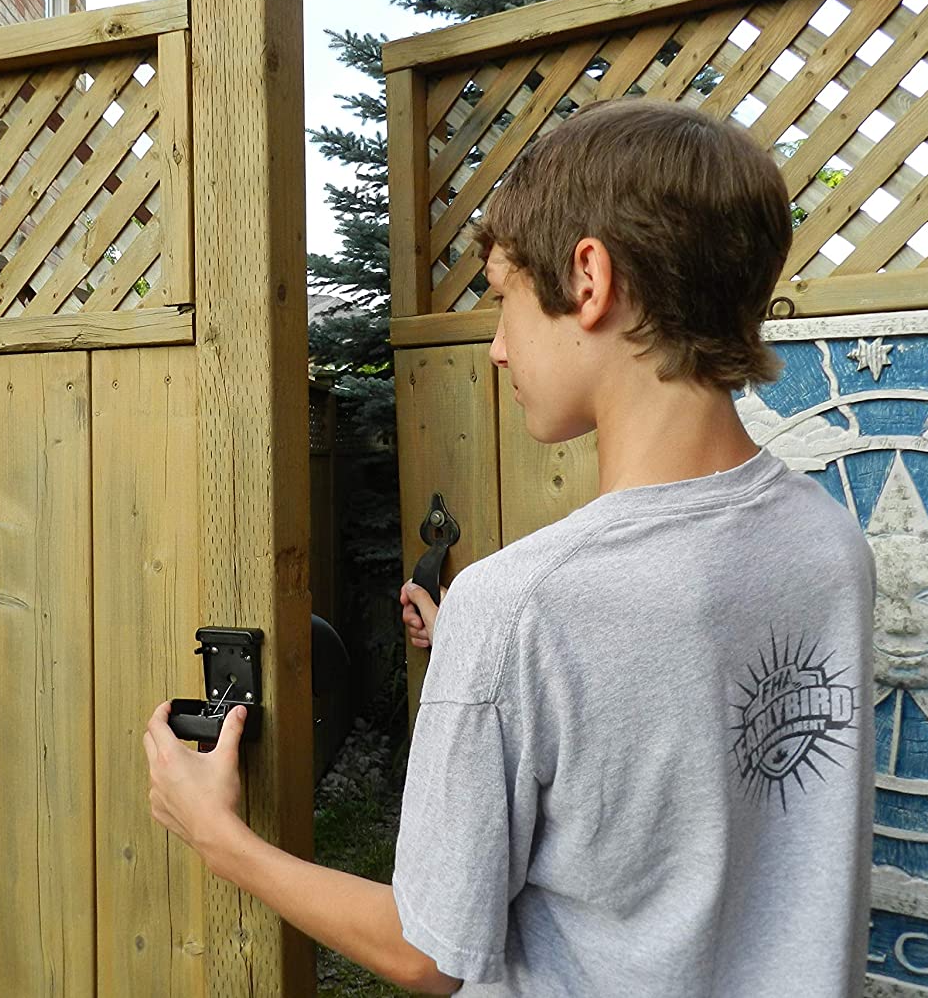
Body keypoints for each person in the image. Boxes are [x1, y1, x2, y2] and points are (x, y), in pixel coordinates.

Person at [144, 98, 876, 995]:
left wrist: (221, 838)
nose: (496, 348)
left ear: (589, 278)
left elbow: (432, 951)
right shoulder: (829, 543)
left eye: (504, 298)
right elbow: (677, 719)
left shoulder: (523, 608)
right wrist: (480, 658)